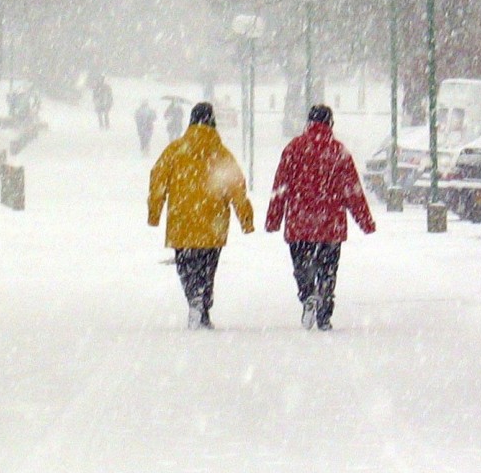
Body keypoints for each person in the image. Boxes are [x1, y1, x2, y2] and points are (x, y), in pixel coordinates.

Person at [265, 104, 375, 331]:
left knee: (301, 266)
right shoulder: (339, 152)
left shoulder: (294, 149)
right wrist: (365, 221)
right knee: (328, 270)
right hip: (330, 225)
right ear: (330, 124)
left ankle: (307, 295)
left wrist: (274, 218)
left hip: (299, 223)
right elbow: (352, 191)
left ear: (309, 123)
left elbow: (281, 187)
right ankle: (324, 313)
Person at [147, 102, 255, 329]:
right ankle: (204, 305)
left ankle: (193, 298)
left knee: (186, 266)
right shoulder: (221, 153)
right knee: (208, 268)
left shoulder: (175, 150)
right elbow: (237, 187)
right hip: (213, 223)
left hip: (181, 220)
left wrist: (155, 213)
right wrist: (245, 219)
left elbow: (158, 180)